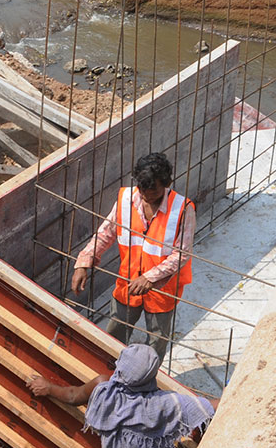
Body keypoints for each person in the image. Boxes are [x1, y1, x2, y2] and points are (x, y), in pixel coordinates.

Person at [70, 152, 195, 362]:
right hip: (128, 282)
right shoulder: (127, 199)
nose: (146, 195)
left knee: (156, 344)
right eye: (142, 188)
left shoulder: (182, 209)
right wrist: (84, 261)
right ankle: (108, 372)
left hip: (163, 289)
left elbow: (181, 254)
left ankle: (145, 381)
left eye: (152, 189)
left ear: (166, 183)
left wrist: (150, 278)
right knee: (115, 333)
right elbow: (106, 232)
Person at [25, 343, 213, 448]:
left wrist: (48, 388)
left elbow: (74, 395)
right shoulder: (163, 403)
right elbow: (206, 406)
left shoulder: (104, 389)